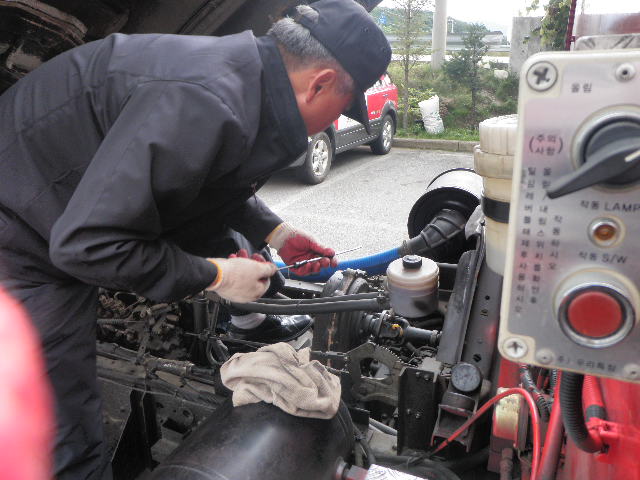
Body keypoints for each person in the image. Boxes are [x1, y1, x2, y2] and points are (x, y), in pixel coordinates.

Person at [0, 0, 391, 478]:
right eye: (342, 108)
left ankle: (250, 323)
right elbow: (87, 246)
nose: (335, 121)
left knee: (225, 241)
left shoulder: (242, 76)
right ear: (320, 83)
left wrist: (276, 232)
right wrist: (216, 275)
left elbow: (205, 178)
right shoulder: (205, 98)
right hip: (20, 232)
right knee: (62, 428)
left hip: (55, 201)